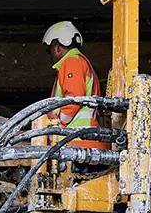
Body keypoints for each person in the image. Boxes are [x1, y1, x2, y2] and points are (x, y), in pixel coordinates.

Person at [42, 21, 108, 150]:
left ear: (57, 47)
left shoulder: (72, 62)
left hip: (75, 141)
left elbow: (74, 97)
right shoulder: (80, 62)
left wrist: (58, 125)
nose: (50, 55)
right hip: (80, 139)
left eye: (49, 50)